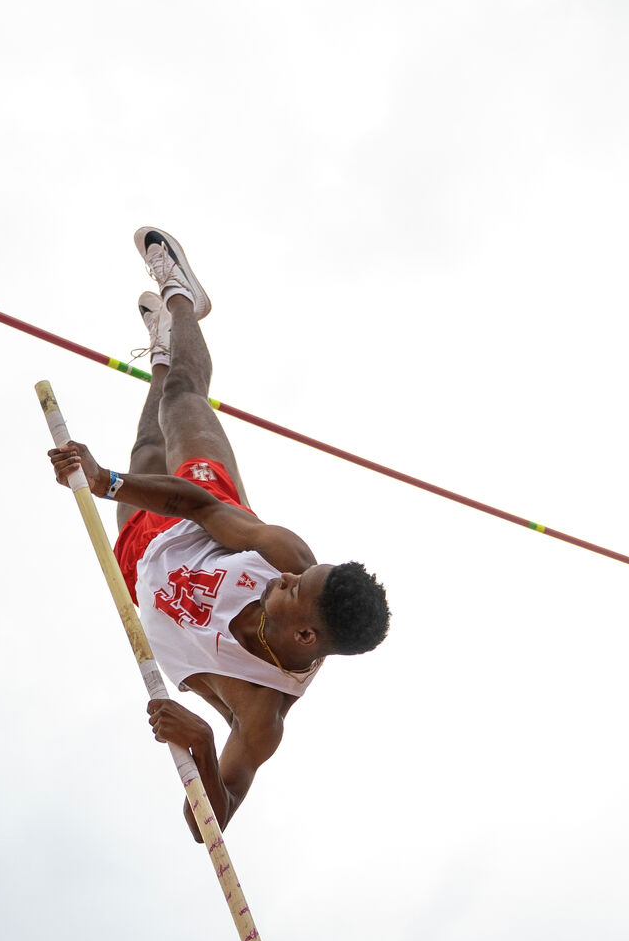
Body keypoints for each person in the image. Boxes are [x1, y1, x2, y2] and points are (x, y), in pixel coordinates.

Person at [49, 227, 389, 838]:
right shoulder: (287, 555)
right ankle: (182, 295)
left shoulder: (261, 717)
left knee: (147, 440)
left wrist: (204, 744)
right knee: (182, 398)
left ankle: (160, 352)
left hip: (146, 576)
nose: (284, 576)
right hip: (195, 518)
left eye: (291, 590)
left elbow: (211, 821)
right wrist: (105, 482)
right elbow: (201, 506)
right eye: (295, 576)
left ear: (306, 633)